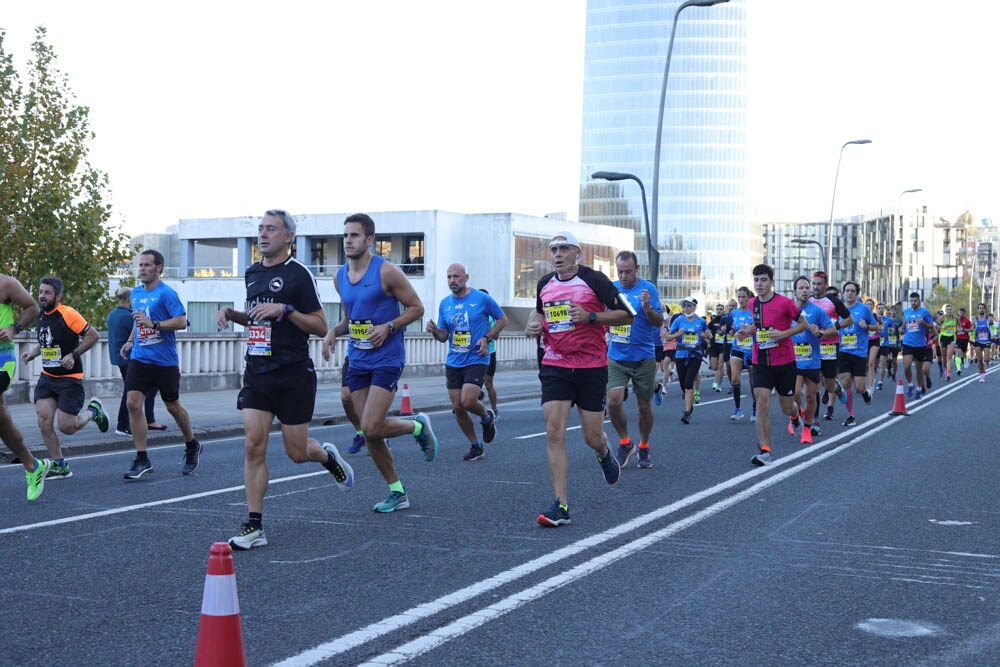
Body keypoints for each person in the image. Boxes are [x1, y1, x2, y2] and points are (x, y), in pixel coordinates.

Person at [216, 210, 352, 549]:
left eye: (271, 229)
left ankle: (326, 457)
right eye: (260, 229)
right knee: (253, 445)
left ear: (288, 237)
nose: (263, 235)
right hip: (257, 371)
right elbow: (259, 318)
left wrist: (286, 310)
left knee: (296, 451)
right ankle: (254, 525)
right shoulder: (251, 273)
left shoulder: (299, 275)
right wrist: (234, 315)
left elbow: (322, 326)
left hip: (293, 373)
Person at [321, 213, 434, 514]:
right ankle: (397, 491)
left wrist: (389, 327)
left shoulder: (387, 272)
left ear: (369, 239)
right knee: (370, 432)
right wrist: (333, 331)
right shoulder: (339, 277)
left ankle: (416, 426)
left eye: (354, 235)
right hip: (357, 358)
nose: (348, 240)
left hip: (387, 357)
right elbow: (351, 318)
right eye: (345, 235)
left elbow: (417, 308)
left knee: (371, 425)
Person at [526, 231, 633, 527]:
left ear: (578, 253)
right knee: (554, 430)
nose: (557, 254)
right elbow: (538, 315)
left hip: (591, 367)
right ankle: (561, 505)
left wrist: (590, 317)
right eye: (554, 249)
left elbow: (628, 315)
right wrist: (533, 327)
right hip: (555, 364)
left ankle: (603, 451)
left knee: (591, 437)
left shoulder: (595, 280)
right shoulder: (544, 284)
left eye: (564, 249)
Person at [120, 249, 201, 479]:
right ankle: (141, 459)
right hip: (140, 357)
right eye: (141, 265)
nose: (142, 269)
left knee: (172, 406)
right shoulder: (135, 293)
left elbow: (182, 321)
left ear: (159, 268)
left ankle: (191, 445)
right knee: (133, 403)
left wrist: (154, 324)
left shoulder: (167, 294)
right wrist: (129, 341)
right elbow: (138, 320)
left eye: (147, 265)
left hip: (164, 362)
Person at [20, 277, 109, 479]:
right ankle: (60, 465)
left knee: (67, 427)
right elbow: (47, 343)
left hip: (70, 379)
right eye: (41, 292)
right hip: (48, 378)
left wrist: (74, 355)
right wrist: (34, 353)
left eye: (47, 293)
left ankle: (93, 412)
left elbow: (93, 335)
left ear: (57, 296)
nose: (42, 295)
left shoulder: (68, 314)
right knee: (43, 421)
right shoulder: (42, 315)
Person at [426, 263, 507, 462]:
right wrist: (435, 331)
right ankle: (475, 445)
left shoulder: (481, 298)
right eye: (449, 277)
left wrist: (487, 338)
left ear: (466, 277)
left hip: (477, 357)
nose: (452, 280)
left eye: (456, 276)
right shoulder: (445, 304)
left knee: (468, 400)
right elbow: (444, 336)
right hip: (454, 359)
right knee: (458, 407)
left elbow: (502, 320)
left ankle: (487, 418)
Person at [735, 264, 807, 466]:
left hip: (784, 361)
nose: (759, 284)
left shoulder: (785, 303)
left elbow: (803, 324)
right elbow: (758, 326)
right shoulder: (752, 304)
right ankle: (765, 451)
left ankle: (795, 416)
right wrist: (747, 331)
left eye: (764, 280)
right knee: (762, 403)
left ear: (772, 282)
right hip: (761, 361)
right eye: (756, 280)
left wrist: (783, 334)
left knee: (786, 407)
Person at [606, 251, 663, 469]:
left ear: (637, 269)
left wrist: (647, 309)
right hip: (617, 356)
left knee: (644, 408)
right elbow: (602, 316)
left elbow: (658, 322)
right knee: (613, 401)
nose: (623, 276)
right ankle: (625, 443)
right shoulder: (611, 290)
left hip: (643, 357)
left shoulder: (648, 289)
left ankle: (644, 445)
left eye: (628, 271)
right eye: (620, 271)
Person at [0, 274, 52, 501]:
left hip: (1, 358)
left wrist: (14, 328)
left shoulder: (6, 283)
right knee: (2, 419)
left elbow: (32, 307)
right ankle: (33, 465)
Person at [107, 286, 164, 436]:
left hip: (119, 359)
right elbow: (140, 334)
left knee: (131, 391)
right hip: (130, 359)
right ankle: (124, 425)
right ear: (128, 299)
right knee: (133, 392)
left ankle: (134, 422)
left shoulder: (112, 314)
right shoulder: (129, 317)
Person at [788, 275, 835, 444]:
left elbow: (833, 330)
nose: (805, 291)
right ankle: (795, 416)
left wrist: (821, 332)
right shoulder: (788, 309)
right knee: (794, 393)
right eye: (801, 288)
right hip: (793, 360)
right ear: (794, 292)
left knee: (810, 396)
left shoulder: (817, 311)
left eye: (807, 288)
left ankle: (807, 428)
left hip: (812, 360)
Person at [809, 271, 853, 422]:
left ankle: (837, 388)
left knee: (828, 384)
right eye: (813, 284)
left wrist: (835, 326)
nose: (816, 287)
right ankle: (814, 421)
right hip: (812, 348)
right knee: (814, 385)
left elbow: (849, 320)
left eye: (819, 284)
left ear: (825, 285)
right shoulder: (807, 301)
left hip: (829, 345)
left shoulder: (833, 301)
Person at [663, 296, 711, 425]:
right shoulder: (678, 320)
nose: (686, 308)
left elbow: (709, 336)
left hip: (695, 355)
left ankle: (687, 412)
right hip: (680, 354)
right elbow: (667, 337)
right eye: (684, 306)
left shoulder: (701, 321)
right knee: (683, 385)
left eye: (689, 305)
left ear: (695, 306)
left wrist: (705, 335)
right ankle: (689, 405)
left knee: (689, 382)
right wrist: (677, 335)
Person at [836, 282, 877, 427]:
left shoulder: (864, 309)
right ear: (843, 292)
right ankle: (851, 415)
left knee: (859, 387)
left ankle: (866, 392)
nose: (849, 293)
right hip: (843, 351)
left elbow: (877, 326)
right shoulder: (838, 309)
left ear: (856, 293)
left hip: (859, 352)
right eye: (847, 290)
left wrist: (867, 326)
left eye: (852, 291)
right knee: (846, 382)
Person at [900, 291, 938, 400]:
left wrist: (923, 323)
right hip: (908, 343)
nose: (913, 303)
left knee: (919, 369)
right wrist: (901, 329)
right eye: (911, 301)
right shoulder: (906, 312)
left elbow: (931, 325)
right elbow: (904, 325)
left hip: (920, 344)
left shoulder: (925, 312)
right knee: (907, 366)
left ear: (919, 301)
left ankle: (918, 389)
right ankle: (910, 384)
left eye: (915, 301)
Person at [728, 287, 755, 421]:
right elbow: (733, 327)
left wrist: (748, 331)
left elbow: (759, 328)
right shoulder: (734, 313)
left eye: (743, 297)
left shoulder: (754, 312)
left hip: (751, 349)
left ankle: (755, 409)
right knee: (734, 378)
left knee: (753, 381)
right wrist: (733, 331)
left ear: (749, 298)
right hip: (737, 347)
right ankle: (738, 409)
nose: (741, 300)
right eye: (739, 297)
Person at [479, 288, 501, 417]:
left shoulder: (491, 317)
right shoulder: (472, 314)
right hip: (475, 353)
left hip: (489, 353)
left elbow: (497, 336)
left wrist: (487, 335)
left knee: (488, 383)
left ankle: (494, 409)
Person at [708, 303, 727, 392]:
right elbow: (706, 330)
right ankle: (721, 374)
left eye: (721, 309)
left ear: (723, 310)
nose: (719, 311)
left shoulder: (726, 319)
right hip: (714, 345)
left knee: (720, 364)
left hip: (723, 345)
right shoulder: (714, 320)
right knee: (714, 366)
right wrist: (708, 338)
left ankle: (717, 384)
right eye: (718, 309)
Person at [864, 298, 882, 392]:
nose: (869, 306)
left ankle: (870, 386)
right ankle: (870, 380)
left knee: (871, 363)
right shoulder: (861, 316)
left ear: (873, 306)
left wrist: (879, 328)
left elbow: (882, 326)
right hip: (864, 341)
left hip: (874, 340)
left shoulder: (876, 316)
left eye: (870, 304)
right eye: (867, 304)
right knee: (866, 364)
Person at [936, 304, 958, 381]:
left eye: (950, 309)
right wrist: (942, 327)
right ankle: (945, 369)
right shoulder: (942, 318)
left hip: (951, 338)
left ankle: (948, 373)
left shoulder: (955, 318)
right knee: (944, 357)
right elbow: (936, 326)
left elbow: (960, 325)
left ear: (952, 310)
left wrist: (961, 328)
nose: (949, 311)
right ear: (945, 311)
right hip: (943, 338)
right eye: (947, 309)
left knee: (949, 357)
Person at [972, 302, 991, 382]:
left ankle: (986, 363)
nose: (981, 309)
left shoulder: (988, 319)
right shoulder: (975, 319)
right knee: (979, 359)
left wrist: (994, 334)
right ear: (978, 309)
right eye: (980, 308)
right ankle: (982, 376)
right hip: (978, 341)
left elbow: (993, 328)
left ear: (985, 309)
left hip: (986, 341)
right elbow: (972, 330)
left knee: (986, 359)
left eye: (982, 308)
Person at [956, 306, 972, 373]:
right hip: (957, 338)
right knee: (957, 352)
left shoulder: (967, 321)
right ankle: (958, 368)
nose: (961, 314)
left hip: (965, 339)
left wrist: (964, 330)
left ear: (964, 314)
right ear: (958, 313)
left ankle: (965, 358)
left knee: (964, 353)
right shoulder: (955, 320)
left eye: (962, 313)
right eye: (960, 312)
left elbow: (970, 329)